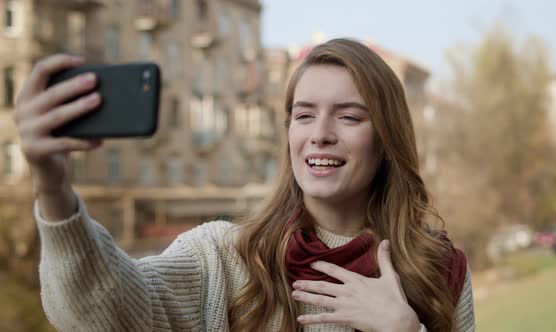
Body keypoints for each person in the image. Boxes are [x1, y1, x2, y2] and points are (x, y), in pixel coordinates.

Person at [13, 38, 474, 332]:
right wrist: (53, 187)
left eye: (349, 116)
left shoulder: (436, 269)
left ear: (386, 138)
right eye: (304, 114)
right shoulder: (221, 257)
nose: (320, 133)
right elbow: (100, 311)